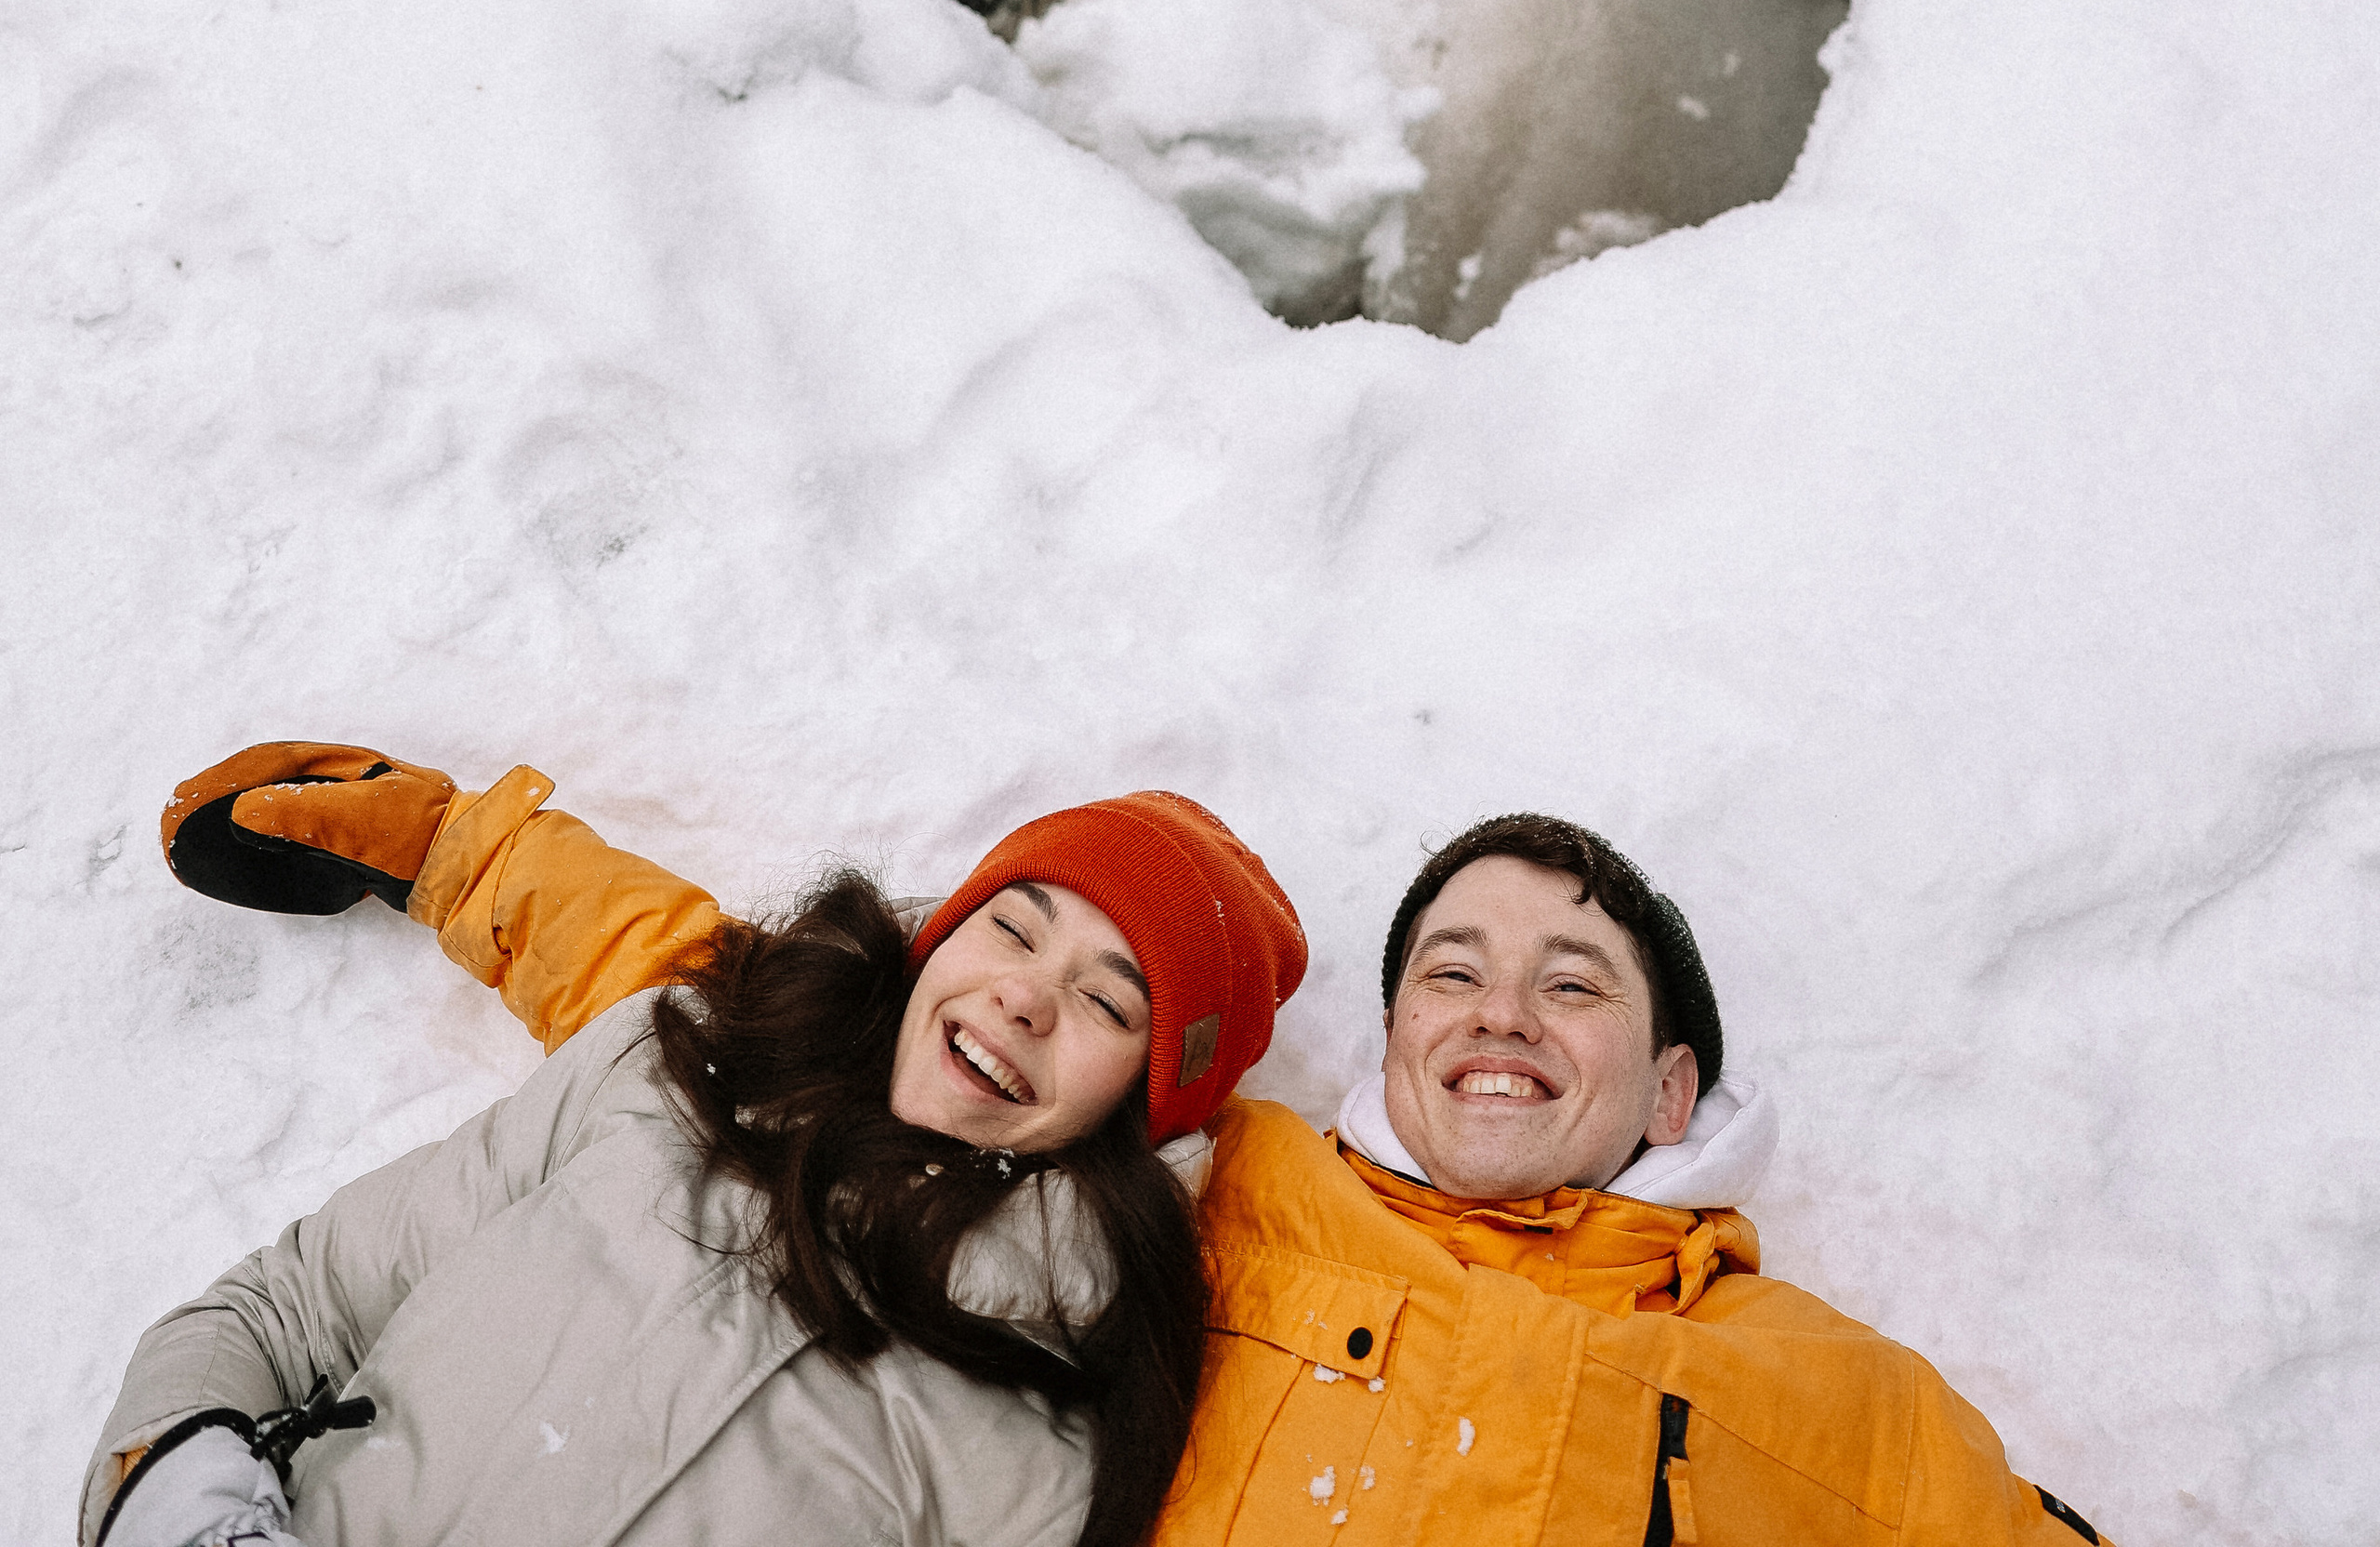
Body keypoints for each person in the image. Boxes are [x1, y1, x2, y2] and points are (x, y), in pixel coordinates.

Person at [126, 747, 2117, 1547]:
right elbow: (752, 1020)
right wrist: (463, 853)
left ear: (1675, 1088)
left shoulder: (1822, 1391)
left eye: (1571, 982)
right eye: (1453, 968)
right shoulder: (1241, 1208)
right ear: (1390, 1041)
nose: (1500, 1013)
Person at [84, 749, 1304, 1547]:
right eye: (1013, 930)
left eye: (1107, 1002)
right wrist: (176, 1503)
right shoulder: (678, 1067)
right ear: (937, 939)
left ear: (1147, 1107)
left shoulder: (1055, 1428)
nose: (1025, 998)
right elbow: (282, 1311)